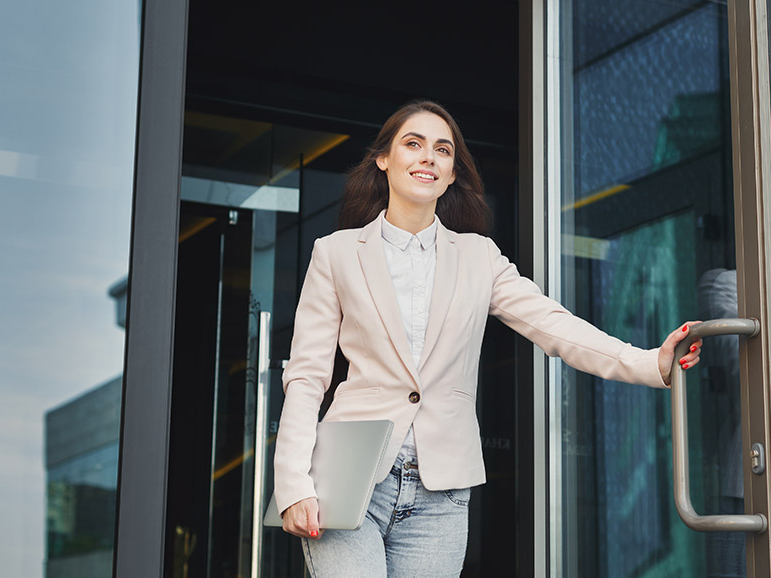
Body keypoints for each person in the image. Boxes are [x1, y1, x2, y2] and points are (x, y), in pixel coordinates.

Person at [272, 99, 703, 577]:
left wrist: (649, 361)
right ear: (383, 159)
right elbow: (307, 377)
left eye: (443, 150)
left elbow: (553, 325)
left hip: (441, 492)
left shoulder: (479, 257)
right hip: (349, 477)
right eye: (412, 144)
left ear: (453, 172)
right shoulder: (335, 255)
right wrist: (293, 483)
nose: (428, 158)